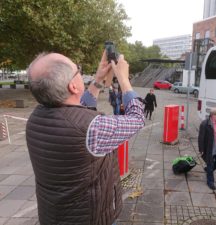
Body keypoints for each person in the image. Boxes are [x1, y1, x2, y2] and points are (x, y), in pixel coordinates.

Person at [26, 51, 145, 225]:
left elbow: (75, 111)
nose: (81, 74)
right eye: (78, 71)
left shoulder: (36, 119)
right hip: (92, 218)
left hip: (53, 215)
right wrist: (124, 80)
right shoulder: (91, 128)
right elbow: (137, 118)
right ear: (73, 86)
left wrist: (97, 81)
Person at [198, 108, 216, 191]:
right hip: (209, 147)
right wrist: (201, 149)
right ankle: (210, 182)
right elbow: (201, 137)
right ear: (213, 115)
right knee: (210, 164)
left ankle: (208, 169)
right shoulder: (205, 124)